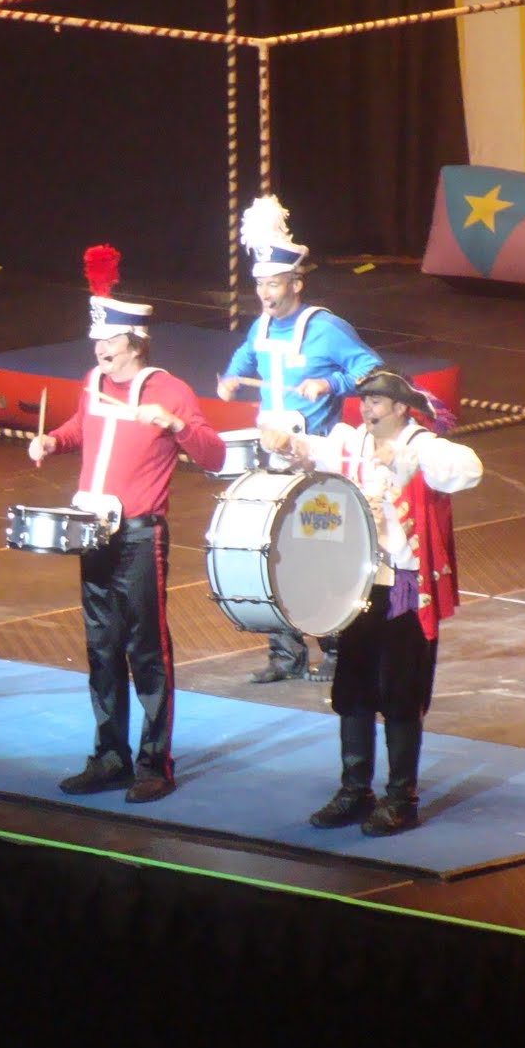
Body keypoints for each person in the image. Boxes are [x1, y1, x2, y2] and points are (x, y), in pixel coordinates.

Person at [30, 245, 226, 804]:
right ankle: (109, 757)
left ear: (135, 342)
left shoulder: (170, 391)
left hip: (140, 536)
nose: (100, 350)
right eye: (97, 341)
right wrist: (52, 441)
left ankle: (154, 764)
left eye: (109, 341)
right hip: (91, 530)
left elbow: (213, 455)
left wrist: (176, 426)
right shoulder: (92, 381)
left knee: (147, 650)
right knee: (101, 648)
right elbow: (80, 427)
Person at [265, 369, 481, 836]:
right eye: (364, 401)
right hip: (358, 587)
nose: (367, 409)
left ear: (401, 407)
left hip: (404, 586)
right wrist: (286, 442)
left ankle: (401, 799)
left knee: (401, 694)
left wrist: (404, 457)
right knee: (353, 690)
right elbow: (312, 451)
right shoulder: (352, 442)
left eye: (377, 402)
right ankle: (354, 791)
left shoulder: (423, 444)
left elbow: (469, 469)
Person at [218, 195, 382, 685]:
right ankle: (284, 655)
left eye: (274, 284)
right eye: (260, 285)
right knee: (275, 555)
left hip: (318, 463)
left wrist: (329, 384)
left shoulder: (326, 328)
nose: (266, 294)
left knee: (323, 554)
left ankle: (335, 650)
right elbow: (246, 355)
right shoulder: (262, 326)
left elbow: (372, 371)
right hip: (272, 460)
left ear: (296, 283)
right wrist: (231, 377)